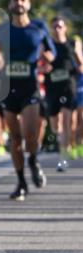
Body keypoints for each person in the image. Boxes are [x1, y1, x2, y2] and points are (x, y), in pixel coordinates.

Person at [0, 0, 55, 201]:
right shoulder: (1, 29)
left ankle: (34, 160)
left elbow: (52, 52)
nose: (19, 3)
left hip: (30, 87)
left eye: (23, 0)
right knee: (15, 139)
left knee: (29, 135)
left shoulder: (39, 27)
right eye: (15, 0)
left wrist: (48, 58)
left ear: (29, 4)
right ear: (9, 5)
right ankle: (21, 182)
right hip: (9, 88)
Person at [43, 16, 83, 171]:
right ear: (51, 29)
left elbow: (81, 66)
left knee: (67, 121)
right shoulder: (47, 45)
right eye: (54, 27)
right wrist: (45, 65)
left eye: (60, 26)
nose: (57, 29)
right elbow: (39, 65)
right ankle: (62, 141)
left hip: (69, 86)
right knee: (55, 126)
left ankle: (63, 156)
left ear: (65, 28)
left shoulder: (72, 44)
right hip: (52, 88)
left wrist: (78, 56)